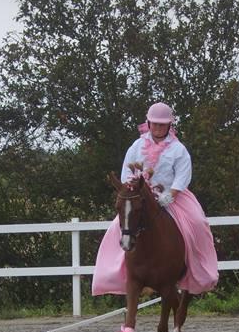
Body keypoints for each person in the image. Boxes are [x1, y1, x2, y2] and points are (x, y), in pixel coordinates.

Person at [92, 101, 219, 296]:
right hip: (140, 197)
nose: (158, 128)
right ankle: (114, 274)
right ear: (148, 123)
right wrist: (132, 188)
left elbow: (183, 175)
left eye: (162, 124)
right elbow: (127, 171)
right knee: (118, 226)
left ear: (169, 125)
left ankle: (198, 271)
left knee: (198, 222)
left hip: (174, 197)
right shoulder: (137, 145)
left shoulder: (178, 149)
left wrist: (171, 194)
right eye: (155, 124)